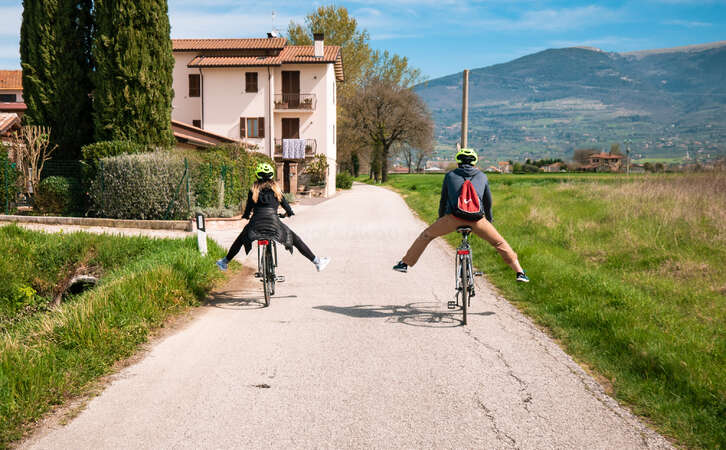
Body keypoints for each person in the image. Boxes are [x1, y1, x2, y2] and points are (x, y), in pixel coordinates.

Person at [393, 148, 529, 282]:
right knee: (499, 242)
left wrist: (441, 218)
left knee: (426, 235)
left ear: (458, 161)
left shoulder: (450, 176)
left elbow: (444, 200)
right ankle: (520, 272)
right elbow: (488, 203)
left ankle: (404, 264)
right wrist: (489, 221)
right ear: (474, 162)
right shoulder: (482, 176)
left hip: (453, 219)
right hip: (478, 220)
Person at [216, 162, 330, 272]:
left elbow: (248, 208)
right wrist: (288, 213)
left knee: (240, 240)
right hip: (274, 223)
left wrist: (246, 216)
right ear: (272, 176)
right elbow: (286, 206)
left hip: (256, 223)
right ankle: (317, 262)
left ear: (257, 175)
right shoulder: (276, 189)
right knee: (295, 239)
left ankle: (224, 262)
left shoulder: (253, 190)